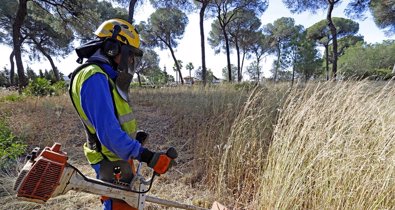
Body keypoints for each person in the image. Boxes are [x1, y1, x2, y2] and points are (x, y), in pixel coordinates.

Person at [68, 19, 175, 210]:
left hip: (119, 155)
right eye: (130, 55)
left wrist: (133, 140)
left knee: (128, 204)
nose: (131, 61)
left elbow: (111, 120)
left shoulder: (102, 75)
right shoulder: (94, 77)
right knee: (120, 207)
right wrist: (147, 156)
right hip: (110, 160)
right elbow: (108, 134)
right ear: (112, 48)